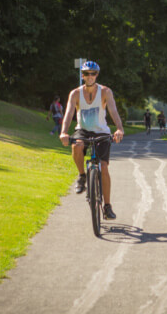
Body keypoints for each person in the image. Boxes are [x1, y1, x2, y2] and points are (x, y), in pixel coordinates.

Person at [59, 61, 124, 220]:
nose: (90, 76)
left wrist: (120, 129)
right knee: (77, 146)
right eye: (87, 73)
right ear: (82, 75)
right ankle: (82, 175)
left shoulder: (105, 92)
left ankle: (107, 207)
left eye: (93, 73)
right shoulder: (75, 93)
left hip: (101, 131)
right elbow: (68, 114)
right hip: (83, 130)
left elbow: (113, 111)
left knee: (103, 167)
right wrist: (63, 133)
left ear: (97, 75)